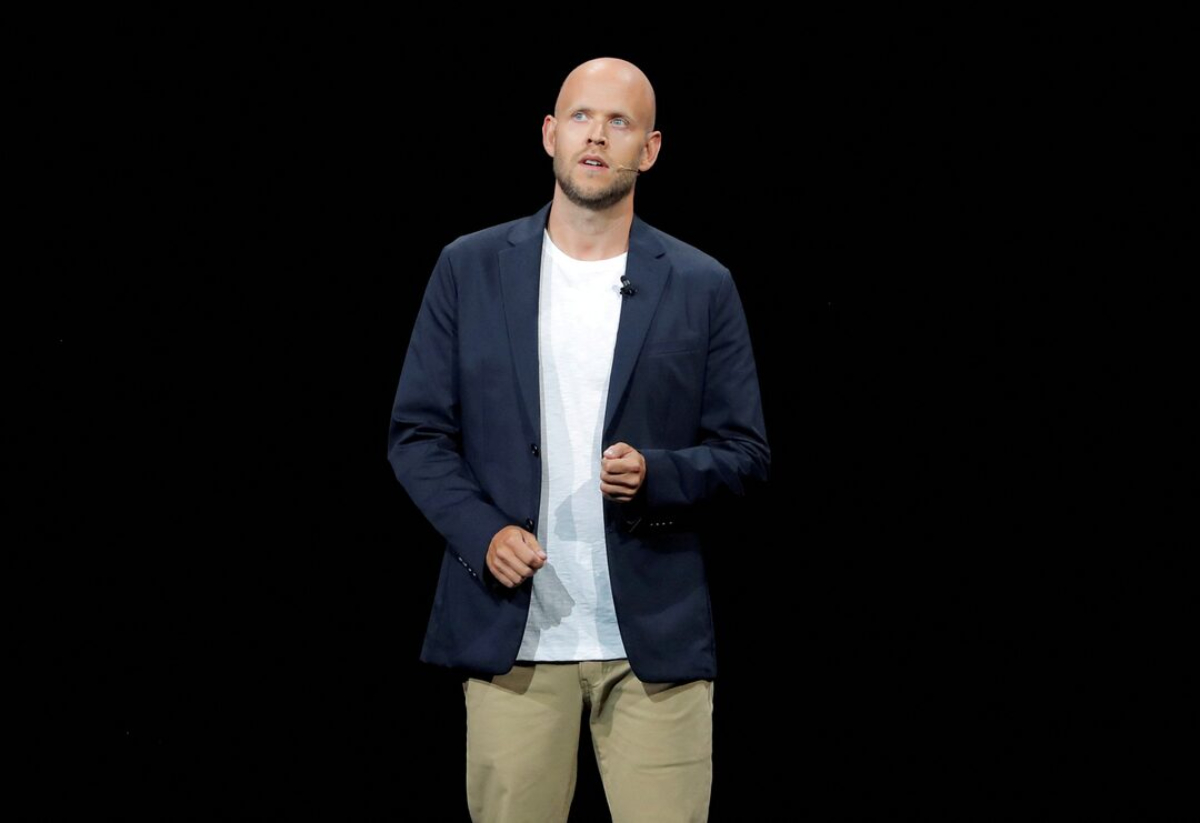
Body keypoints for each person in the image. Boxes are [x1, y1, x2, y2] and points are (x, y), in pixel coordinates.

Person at [386, 56, 769, 823]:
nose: (597, 135)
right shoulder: (469, 268)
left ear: (649, 149)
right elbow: (417, 434)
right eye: (582, 117)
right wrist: (484, 531)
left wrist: (657, 473)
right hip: (513, 639)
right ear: (549, 134)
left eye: (619, 122)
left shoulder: (701, 284)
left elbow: (745, 452)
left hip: (653, 645)